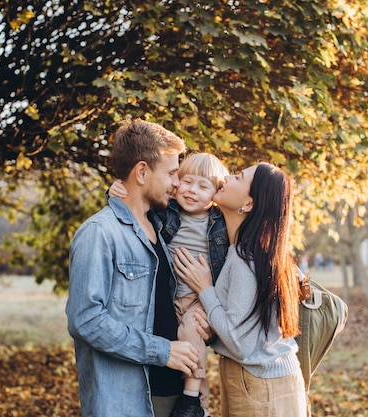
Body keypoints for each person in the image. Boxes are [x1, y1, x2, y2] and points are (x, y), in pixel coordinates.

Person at [66, 118, 200, 417]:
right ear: (141, 171)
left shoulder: (161, 228)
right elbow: (85, 320)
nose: (177, 183)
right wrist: (163, 352)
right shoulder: (99, 233)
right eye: (171, 174)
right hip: (126, 401)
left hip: (172, 395)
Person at [173, 162, 307, 417]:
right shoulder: (259, 250)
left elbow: (239, 343)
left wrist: (205, 290)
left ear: (248, 204)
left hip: (259, 385)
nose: (226, 179)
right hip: (265, 379)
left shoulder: (246, 259)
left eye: (237, 177)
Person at [109, 153, 230, 417]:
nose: (192, 191)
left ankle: (192, 398)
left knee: (192, 330)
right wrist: (117, 190)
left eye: (203, 186)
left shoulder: (221, 221)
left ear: (216, 193)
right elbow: (135, 208)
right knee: (183, 344)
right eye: (186, 182)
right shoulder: (166, 210)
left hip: (199, 297)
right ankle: (198, 406)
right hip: (172, 295)